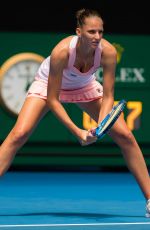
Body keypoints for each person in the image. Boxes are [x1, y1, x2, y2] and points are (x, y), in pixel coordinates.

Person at [0, 8, 150, 217]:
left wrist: (102, 127)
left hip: (84, 85)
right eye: (91, 32)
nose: (97, 37)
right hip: (48, 85)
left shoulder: (108, 52)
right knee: (19, 134)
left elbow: (108, 96)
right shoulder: (61, 52)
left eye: (100, 31)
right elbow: (53, 99)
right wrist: (78, 132)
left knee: (126, 136)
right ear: (79, 32)